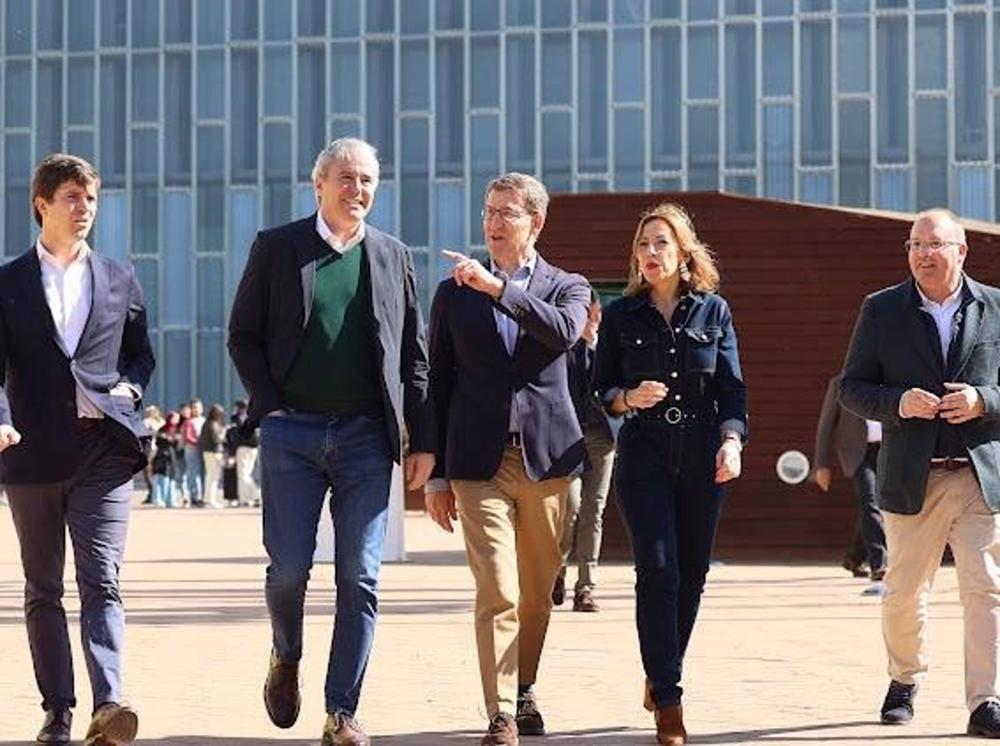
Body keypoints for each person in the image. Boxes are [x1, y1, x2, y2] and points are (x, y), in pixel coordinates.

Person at [228, 137, 435, 746]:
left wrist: (421, 437)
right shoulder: (277, 248)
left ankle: (341, 712)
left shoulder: (394, 256)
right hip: (291, 433)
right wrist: (269, 405)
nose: (359, 190)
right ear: (318, 184)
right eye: (346, 178)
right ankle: (285, 654)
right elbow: (243, 336)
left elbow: (413, 357)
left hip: (367, 437)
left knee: (360, 577)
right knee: (289, 570)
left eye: (368, 179)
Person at [425, 172, 591, 746]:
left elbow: (564, 332)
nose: (493, 224)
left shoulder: (567, 285)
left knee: (537, 590)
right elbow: (438, 380)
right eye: (488, 212)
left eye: (508, 214)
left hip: (548, 460)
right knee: (498, 587)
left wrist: (496, 291)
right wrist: (437, 473)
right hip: (479, 463)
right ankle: (499, 712)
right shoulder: (451, 293)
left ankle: (524, 689)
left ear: (536, 222)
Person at [0, 153, 154, 744]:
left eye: (90, 197)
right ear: (42, 205)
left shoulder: (119, 276)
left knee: (102, 578)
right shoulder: (8, 282)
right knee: (43, 587)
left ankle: (110, 701)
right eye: (71, 197)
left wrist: (131, 387)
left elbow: (141, 354)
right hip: (31, 452)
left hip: (104, 454)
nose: (84, 207)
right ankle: (58, 712)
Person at [839, 208, 1000, 737]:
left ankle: (985, 701)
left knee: (986, 589)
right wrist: (897, 403)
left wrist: (983, 401)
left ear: (961, 250)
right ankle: (904, 679)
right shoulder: (881, 310)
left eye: (935, 244)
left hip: (979, 476)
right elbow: (852, 388)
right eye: (915, 245)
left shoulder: (996, 307)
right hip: (913, 476)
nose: (924, 254)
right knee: (905, 592)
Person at [593, 203, 747, 746]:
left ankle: (660, 672)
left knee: (691, 575)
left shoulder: (714, 312)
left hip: (704, 452)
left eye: (661, 243)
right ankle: (670, 698)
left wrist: (732, 440)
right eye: (643, 245)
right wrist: (627, 397)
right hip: (644, 454)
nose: (650, 253)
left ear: (683, 252)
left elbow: (733, 388)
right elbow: (600, 388)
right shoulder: (620, 316)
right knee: (657, 571)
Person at [553, 291, 620, 612]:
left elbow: (613, 386)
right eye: (588, 317)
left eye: (596, 317)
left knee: (594, 511)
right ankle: (557, 570)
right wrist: (580, 344)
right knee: (571, 509)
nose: (593, 324)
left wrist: (594, 346)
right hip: (569, 439)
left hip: (602, 438)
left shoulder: (607, 348)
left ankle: (585, 588)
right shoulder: (564, 349)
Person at [812, 373, 888, 594]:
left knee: (874, 507)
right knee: (871, 502)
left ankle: (854, 557)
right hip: (858, 453)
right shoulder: (841, 383)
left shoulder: (893, 378)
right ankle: (879, 563)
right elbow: (826, 425)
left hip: (888, 451)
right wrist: (821, 465)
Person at [151, 411, 182, 508]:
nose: (176, 420)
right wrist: (167, 438)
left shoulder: (178, 430)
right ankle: (159, 500)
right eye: (175, 418)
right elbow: (157, 441)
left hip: (172, 457)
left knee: (172, 479)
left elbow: (179, 444)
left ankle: (171, 500)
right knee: (161, 478)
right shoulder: (163, 429)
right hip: (162, 457)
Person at [198, 403, 227, 509]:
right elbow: (216, 440)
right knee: (214, 477)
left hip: (207, 452)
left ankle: (207, 499)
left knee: (209, 476)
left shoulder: (206, 423)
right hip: (215, 452)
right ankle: (212, 500)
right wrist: (223, 434)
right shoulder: (214, 424)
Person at [181, 398, 205, 507]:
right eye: (194, 407)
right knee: (193, 473)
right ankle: (195, 497)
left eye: (199, 407)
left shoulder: (204, 420)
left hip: (203, 449)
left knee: (202, 473)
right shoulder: (188, 422)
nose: (197, 410)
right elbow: (187, 436)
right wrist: (198, 442)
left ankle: (201, 496)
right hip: (192, 449)